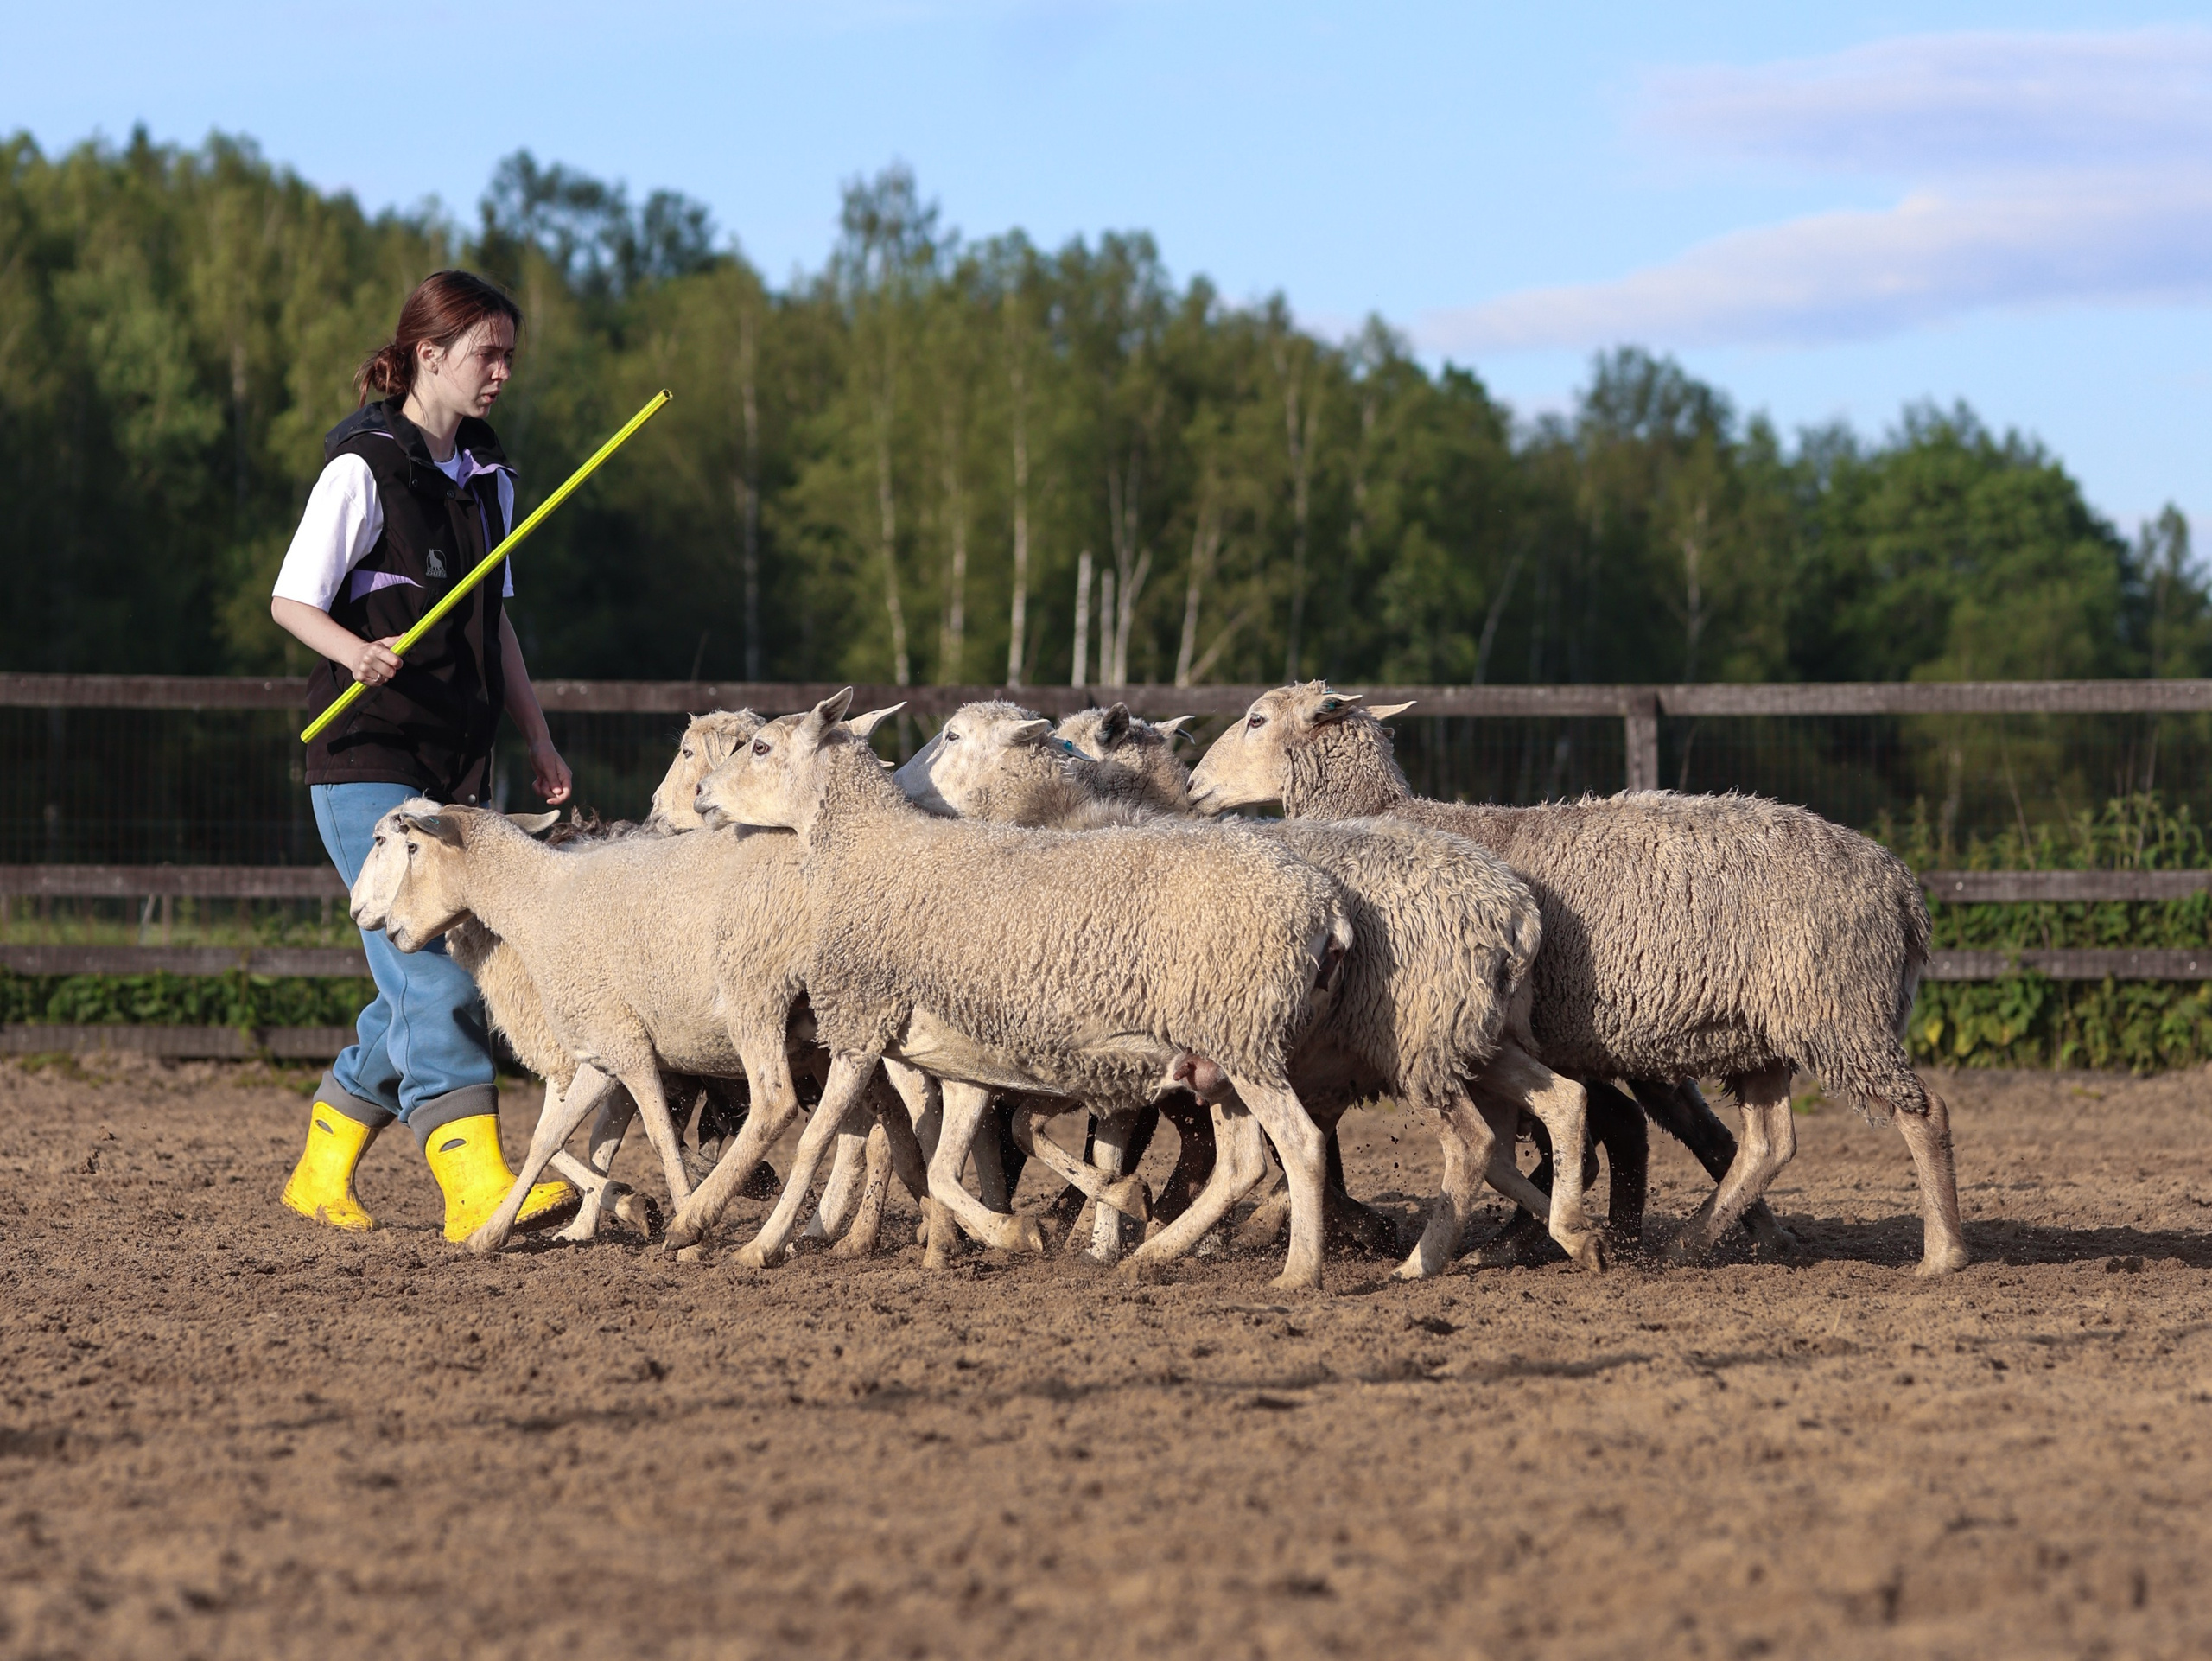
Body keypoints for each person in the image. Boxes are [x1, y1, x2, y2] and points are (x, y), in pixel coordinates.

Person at [270, 269, 578, 1243]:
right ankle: (475, 1186)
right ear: (427, 354)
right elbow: (290, 600)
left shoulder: (491, 481)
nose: (502, 372)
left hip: (453, 769)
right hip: (364, 757)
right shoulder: (361, 471)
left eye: (510, 356)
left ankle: (322, 1165)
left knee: (422, 979)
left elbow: (497, 627)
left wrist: (537, 734)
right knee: (436, 974)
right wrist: (353, 651)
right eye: (488, 354)